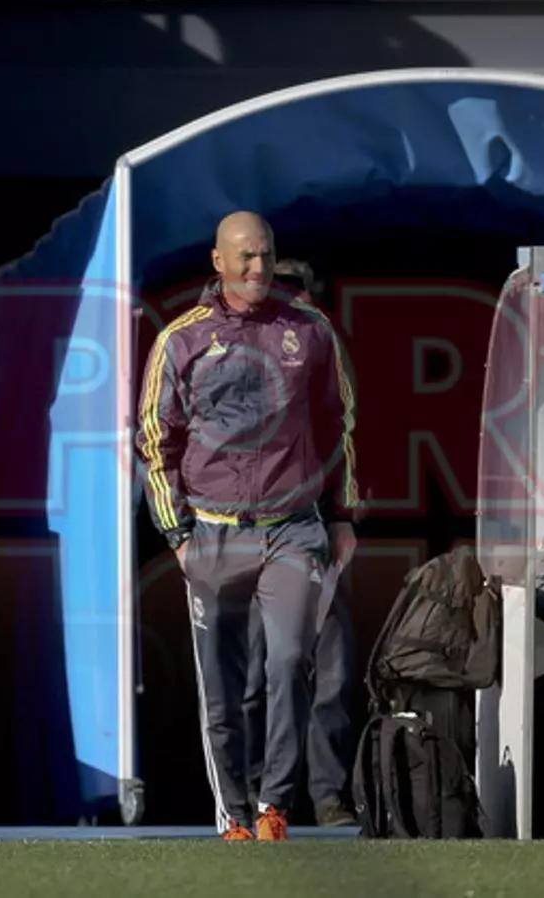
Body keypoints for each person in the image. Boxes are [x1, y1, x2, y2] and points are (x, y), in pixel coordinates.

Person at [135, 211, 358, 841]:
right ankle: (232, 813)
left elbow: (338, 424)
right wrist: (177, 534)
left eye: (265, 256)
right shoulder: (182, 339)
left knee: (288, 660)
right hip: (212, 530)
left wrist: (341, 515)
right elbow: (156, 440)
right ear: (219, 262)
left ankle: (273, 805)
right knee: (224, 684)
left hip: (292, 527)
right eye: (245, 258)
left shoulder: (308, 329)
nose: (258, 268)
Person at [243, 258, 357, 828]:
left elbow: (346, 436)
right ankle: (263, 798)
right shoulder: (233, 353)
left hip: (310, 531)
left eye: (296, 292)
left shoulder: (322, 349)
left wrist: (342, 517)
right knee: (259, 671)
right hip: (244, 538)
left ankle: (328, 795)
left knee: (331, 667)